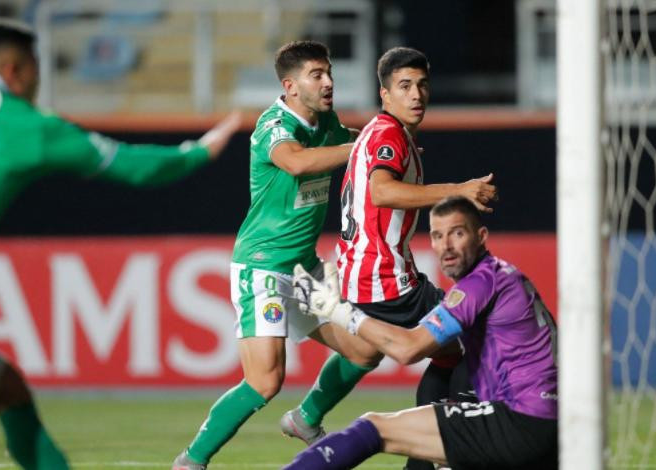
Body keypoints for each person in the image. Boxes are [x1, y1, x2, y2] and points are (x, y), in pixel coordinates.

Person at [0, 18, 241, 470]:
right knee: (10, 396)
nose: (37, 83)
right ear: (14, 70)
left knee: (5, 389)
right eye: (36, 71)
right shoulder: (25, 124)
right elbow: (132, 165)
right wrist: (200, 150)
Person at [283, 46, 497, 469]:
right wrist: (458, 190)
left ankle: (425, 453)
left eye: (422, 85)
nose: (416, 94)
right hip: (385, 280)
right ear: (385, 94)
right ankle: (448, 449)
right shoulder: (387, 134)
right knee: (478, 338)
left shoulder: (389, 133)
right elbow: (382, 191)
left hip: (375, 274)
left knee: (443, 351)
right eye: (404, 86)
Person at [172, 40, 383, 470]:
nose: (328, 83)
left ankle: (306, 419)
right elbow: (298, 163)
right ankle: (191, 462)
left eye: (329, 73)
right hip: (263, 266)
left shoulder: (327, 120)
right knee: (266, 380)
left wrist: (383, 142)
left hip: (305, 271)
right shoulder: (273, 126)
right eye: (316, 75)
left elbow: (353, 141)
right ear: (290, 86)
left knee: (365, 350)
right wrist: (362, 150)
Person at [286, 196, 559, 469]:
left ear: (481, 236)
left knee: (372, 428)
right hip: (550, 423)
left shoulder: (479, 283)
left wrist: (337, 311)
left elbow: (408, 349)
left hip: (520, 419)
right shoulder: (504, 275)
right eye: (438, 236)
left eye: (458, 233)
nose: (446, 246)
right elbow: (437, 348)